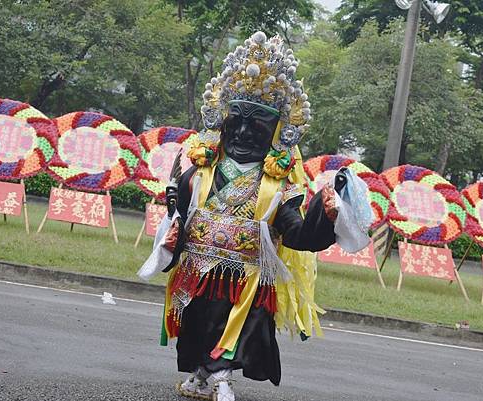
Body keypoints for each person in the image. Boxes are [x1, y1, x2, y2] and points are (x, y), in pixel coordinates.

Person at [138, 32, 373, 401]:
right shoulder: (200, 170)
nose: (245, 132)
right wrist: (173, 224)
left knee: (240, 324)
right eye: (239, 121)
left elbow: (295, 233)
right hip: (198, 268)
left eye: (258, 124)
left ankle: (221, 376)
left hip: (246, 277)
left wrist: (325, 213)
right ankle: (203, 373)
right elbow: (179, 216)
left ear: (276, 132)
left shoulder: (279, 184)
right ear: (225, 120)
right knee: (196, 321)